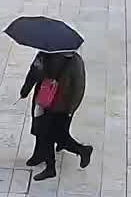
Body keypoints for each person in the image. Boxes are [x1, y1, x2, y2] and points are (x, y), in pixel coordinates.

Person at [19, 50, 92, 180]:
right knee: (41, 129)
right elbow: (34, 72)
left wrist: (71, 109)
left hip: (61, 106)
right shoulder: (44, 55)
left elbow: (78, 86)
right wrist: (26, 89)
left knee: (55, 136)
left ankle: (80, 152)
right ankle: (40, 155)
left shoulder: (74, 62)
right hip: (45, 98)